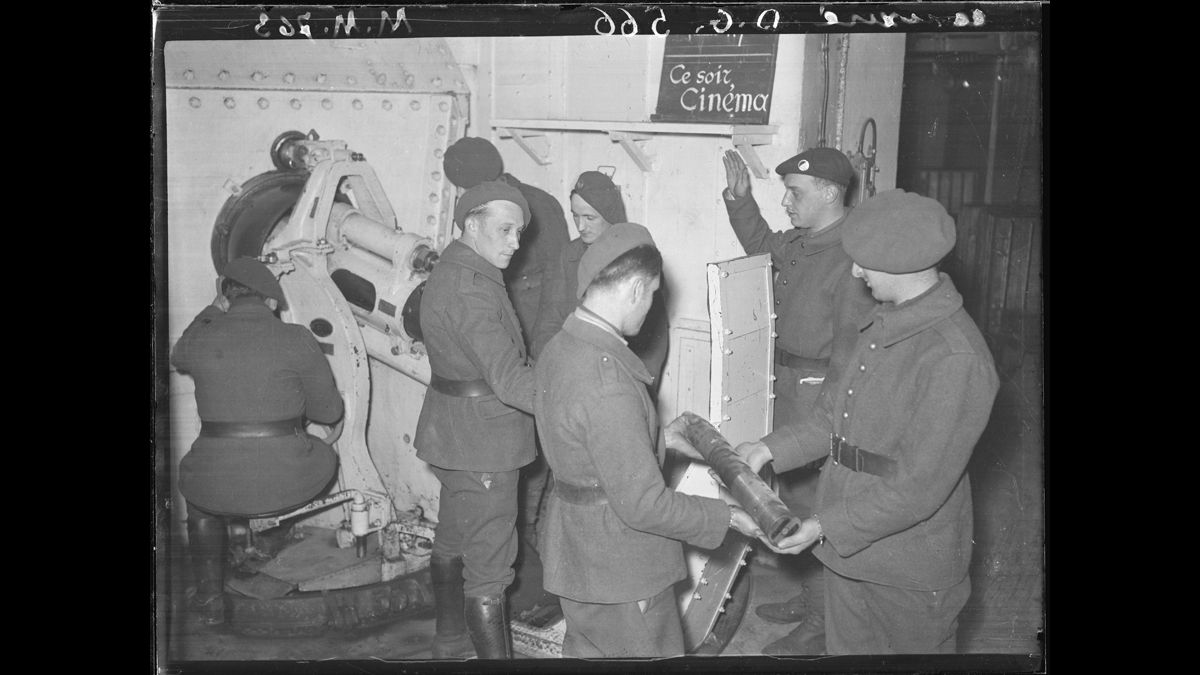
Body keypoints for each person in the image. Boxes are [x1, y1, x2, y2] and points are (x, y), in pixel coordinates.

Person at [734, 190, 999, 655]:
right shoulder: (882, 324)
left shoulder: (955, 357)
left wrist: (822, 525)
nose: (855, 272)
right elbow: (829, 419)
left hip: (909, 568)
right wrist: (767, 448)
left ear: (901, 264)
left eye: (864, 263)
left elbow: (918, 488)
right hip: (848, 551)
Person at [533, 222, 763, 658]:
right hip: (621, 567)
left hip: (579, 555)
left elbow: (587, 451)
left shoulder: (560, 348)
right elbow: (643, 504)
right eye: (654, 294)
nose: (651, 306)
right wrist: (729, 516)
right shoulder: (608, 380)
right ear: (637, 289)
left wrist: (659, 437)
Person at [721, 147, 876, 652]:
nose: (786, 201)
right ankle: (811, 598)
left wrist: (828, 417)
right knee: (793, 498)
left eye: (795, 193)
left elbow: (852, 358)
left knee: (817, 505)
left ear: (830, 193)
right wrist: (740, 201)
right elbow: (764, 247)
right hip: (788, 389)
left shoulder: (854, 256)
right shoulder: (806, 242)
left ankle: (823, 623)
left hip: (819, 399)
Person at [171, 257, 344, 626]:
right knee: (322, 452)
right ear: (270, 302)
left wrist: (211, 310)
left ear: (226, 298)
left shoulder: (202, 337)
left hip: (214, 488)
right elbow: (329, 414)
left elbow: (177, 355)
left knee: (199, 504)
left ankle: (210, 598)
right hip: (291, 480)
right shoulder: (297, 337)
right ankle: (272, 540)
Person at [443, 137, 570, 622]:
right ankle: (532, 582)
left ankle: (541, 586)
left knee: (530, 486)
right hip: (523, 367)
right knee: (525, 489)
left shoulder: (511, 218)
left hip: (529, 366)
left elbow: (550, 295)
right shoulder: (536, 202)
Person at [414, 180, 536, 659]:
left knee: (454, 536)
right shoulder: (471, 290)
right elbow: (509, 380)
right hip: (485, 439)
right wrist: (575, 397)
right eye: (505, 230)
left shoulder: (457, 271)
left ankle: (449, 641)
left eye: (519, 233)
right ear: (471, 224)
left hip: (453, 433)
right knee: (490, 566)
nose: (515, 243)